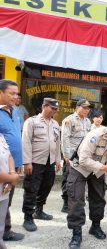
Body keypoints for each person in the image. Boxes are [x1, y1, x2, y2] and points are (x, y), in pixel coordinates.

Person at [67, 116, 107, 248]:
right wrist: (105, 167)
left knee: (99, 198)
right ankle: (76, 233)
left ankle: (95, 226)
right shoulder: (95, 135)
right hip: (80, 168)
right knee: (76, 199)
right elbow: (83, 159)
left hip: (98, 169)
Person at [21, 98, 61, 232]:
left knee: (46, 186)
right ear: (44, 106)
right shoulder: (32, 121)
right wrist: (27, 162)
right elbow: (25, 141)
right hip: (35, 162)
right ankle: (27, 217)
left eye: (56, 109)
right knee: (31, 189)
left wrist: (57, 160)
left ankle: (39, 211)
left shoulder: (55, 124)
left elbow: (57, 143)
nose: (54, 111)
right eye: (52, 108)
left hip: (50, 162)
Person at [0, 79, 24, 242]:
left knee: (6, 200)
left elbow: (16, 136)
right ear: (0, 93)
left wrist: (19, 163)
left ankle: (5, 230)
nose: (16, 97)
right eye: (12, 93)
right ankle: (5, 231)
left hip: (12, 165)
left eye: (17, 93)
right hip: (2, 166)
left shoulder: (15, 110)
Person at [61, 99, 92, 213]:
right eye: (84, 107)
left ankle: (77, 200)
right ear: (77, 107)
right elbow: (64, 139)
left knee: (79, 179)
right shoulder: (69, 120)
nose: (86, 110)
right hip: (71, 155)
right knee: (68, 179)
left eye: (88, 108)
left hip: (83, 156)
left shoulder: (88, 121)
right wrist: (67, 156)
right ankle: (65, 203)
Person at [0, 134, 20, 249]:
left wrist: (12, 173)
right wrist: (13, 179)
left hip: (3, 192)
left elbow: (9, 156)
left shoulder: (1, 136)